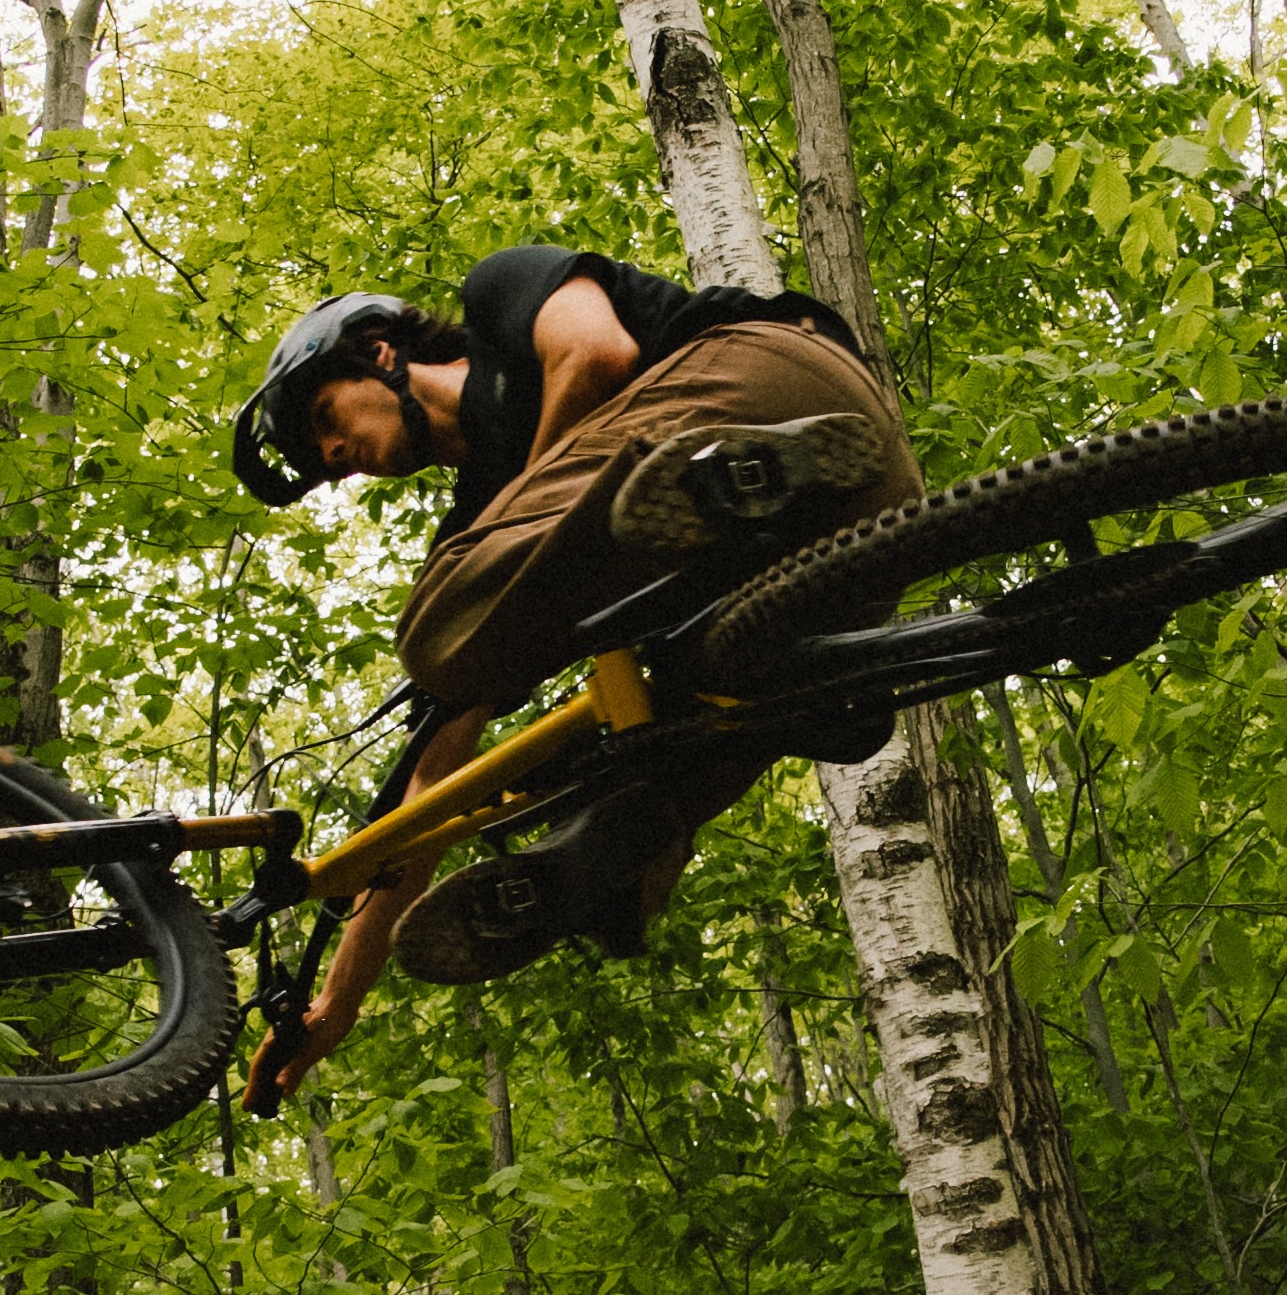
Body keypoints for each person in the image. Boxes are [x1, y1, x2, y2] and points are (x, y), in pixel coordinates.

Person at [232, 242, 913, 1100]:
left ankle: (692, 490)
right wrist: (336, 1002)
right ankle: (618, 833)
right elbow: (428, 792)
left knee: (436, 628)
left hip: (765, 380)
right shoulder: (477, 520)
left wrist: (521, 531)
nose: (330, 454)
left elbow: (597, 355)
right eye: (315, 454)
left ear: (379, 354)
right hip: (858, 520)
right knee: (687, 699)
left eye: (324, 417)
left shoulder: (501, 290)